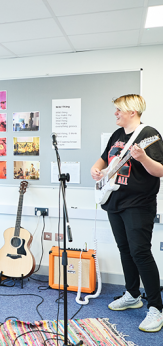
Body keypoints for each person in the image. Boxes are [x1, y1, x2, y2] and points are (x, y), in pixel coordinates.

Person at [90, 94, 163, 333]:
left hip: (138, 203)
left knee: (140, 252)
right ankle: (132, 294)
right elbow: (104, 159)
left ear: (132, 111)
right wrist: (97, 169)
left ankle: (156, 307)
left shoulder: (148, 134)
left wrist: (142, 158)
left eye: (119, 110)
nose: (115, 113)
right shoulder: (117, 135)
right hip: (114, 200)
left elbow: (160, 171)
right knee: (125, 250)